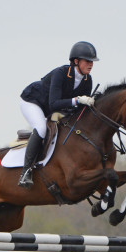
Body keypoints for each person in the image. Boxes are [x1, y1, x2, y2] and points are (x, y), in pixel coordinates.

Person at [17, 41, 99, 188]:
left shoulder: (87, 79)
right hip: (33, 102)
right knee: (41, 128)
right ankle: (25, 172)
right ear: (76, 61)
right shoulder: (60, 73)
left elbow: (78, 110)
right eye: (87, 61)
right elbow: (54, 104)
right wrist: (78, 100)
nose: (91, 64)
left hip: (53, 109)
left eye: (92, 61)